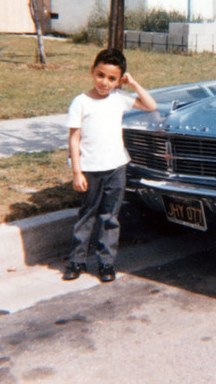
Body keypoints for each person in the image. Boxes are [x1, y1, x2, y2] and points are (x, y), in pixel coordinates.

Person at [63, 49, 157, 282]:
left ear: (119, 80)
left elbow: (150, 105)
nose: (104, 82)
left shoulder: (119, 99)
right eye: (100, 75)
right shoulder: (81, 102)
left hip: (116, 167)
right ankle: (77, 261)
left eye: (112, 78)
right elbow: (74, 139)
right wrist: (77, 172)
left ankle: (106, 263)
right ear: (92, 72)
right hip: (90, 170)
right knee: (87, 215)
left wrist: (133, 83)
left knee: (110, 217)